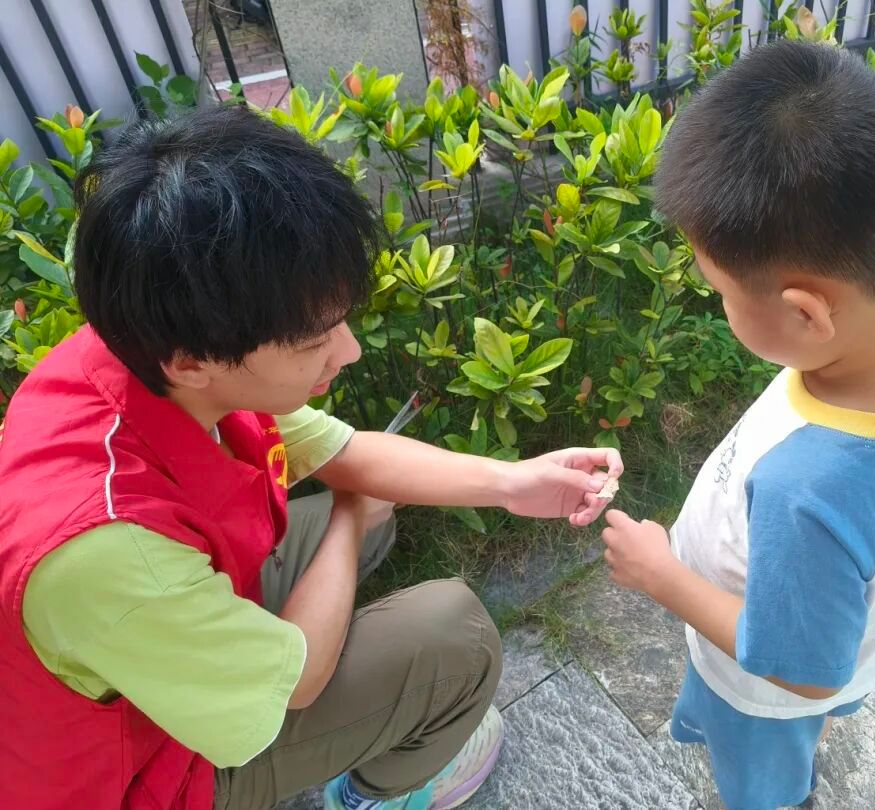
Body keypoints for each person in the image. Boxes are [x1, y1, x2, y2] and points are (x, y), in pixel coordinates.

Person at [0, 105, 621, 810]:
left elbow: (343, 450)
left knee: (359, 519)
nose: (348, 351)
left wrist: (513, 482)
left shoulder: (142, 347)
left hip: (151, 648)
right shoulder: (106, 549)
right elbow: (299, 683)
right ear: (193, 361)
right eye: (312, 341)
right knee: (456, 636)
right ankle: (371, 794)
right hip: (141, 770)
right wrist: (349, 517)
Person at [599, 40, 875, 810]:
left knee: (763, 781)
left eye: (721, 293)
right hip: (856, 618)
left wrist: (660, 574)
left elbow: (803, 672)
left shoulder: (809, 490)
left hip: (761, 693)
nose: (719, 305)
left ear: (807, 313)